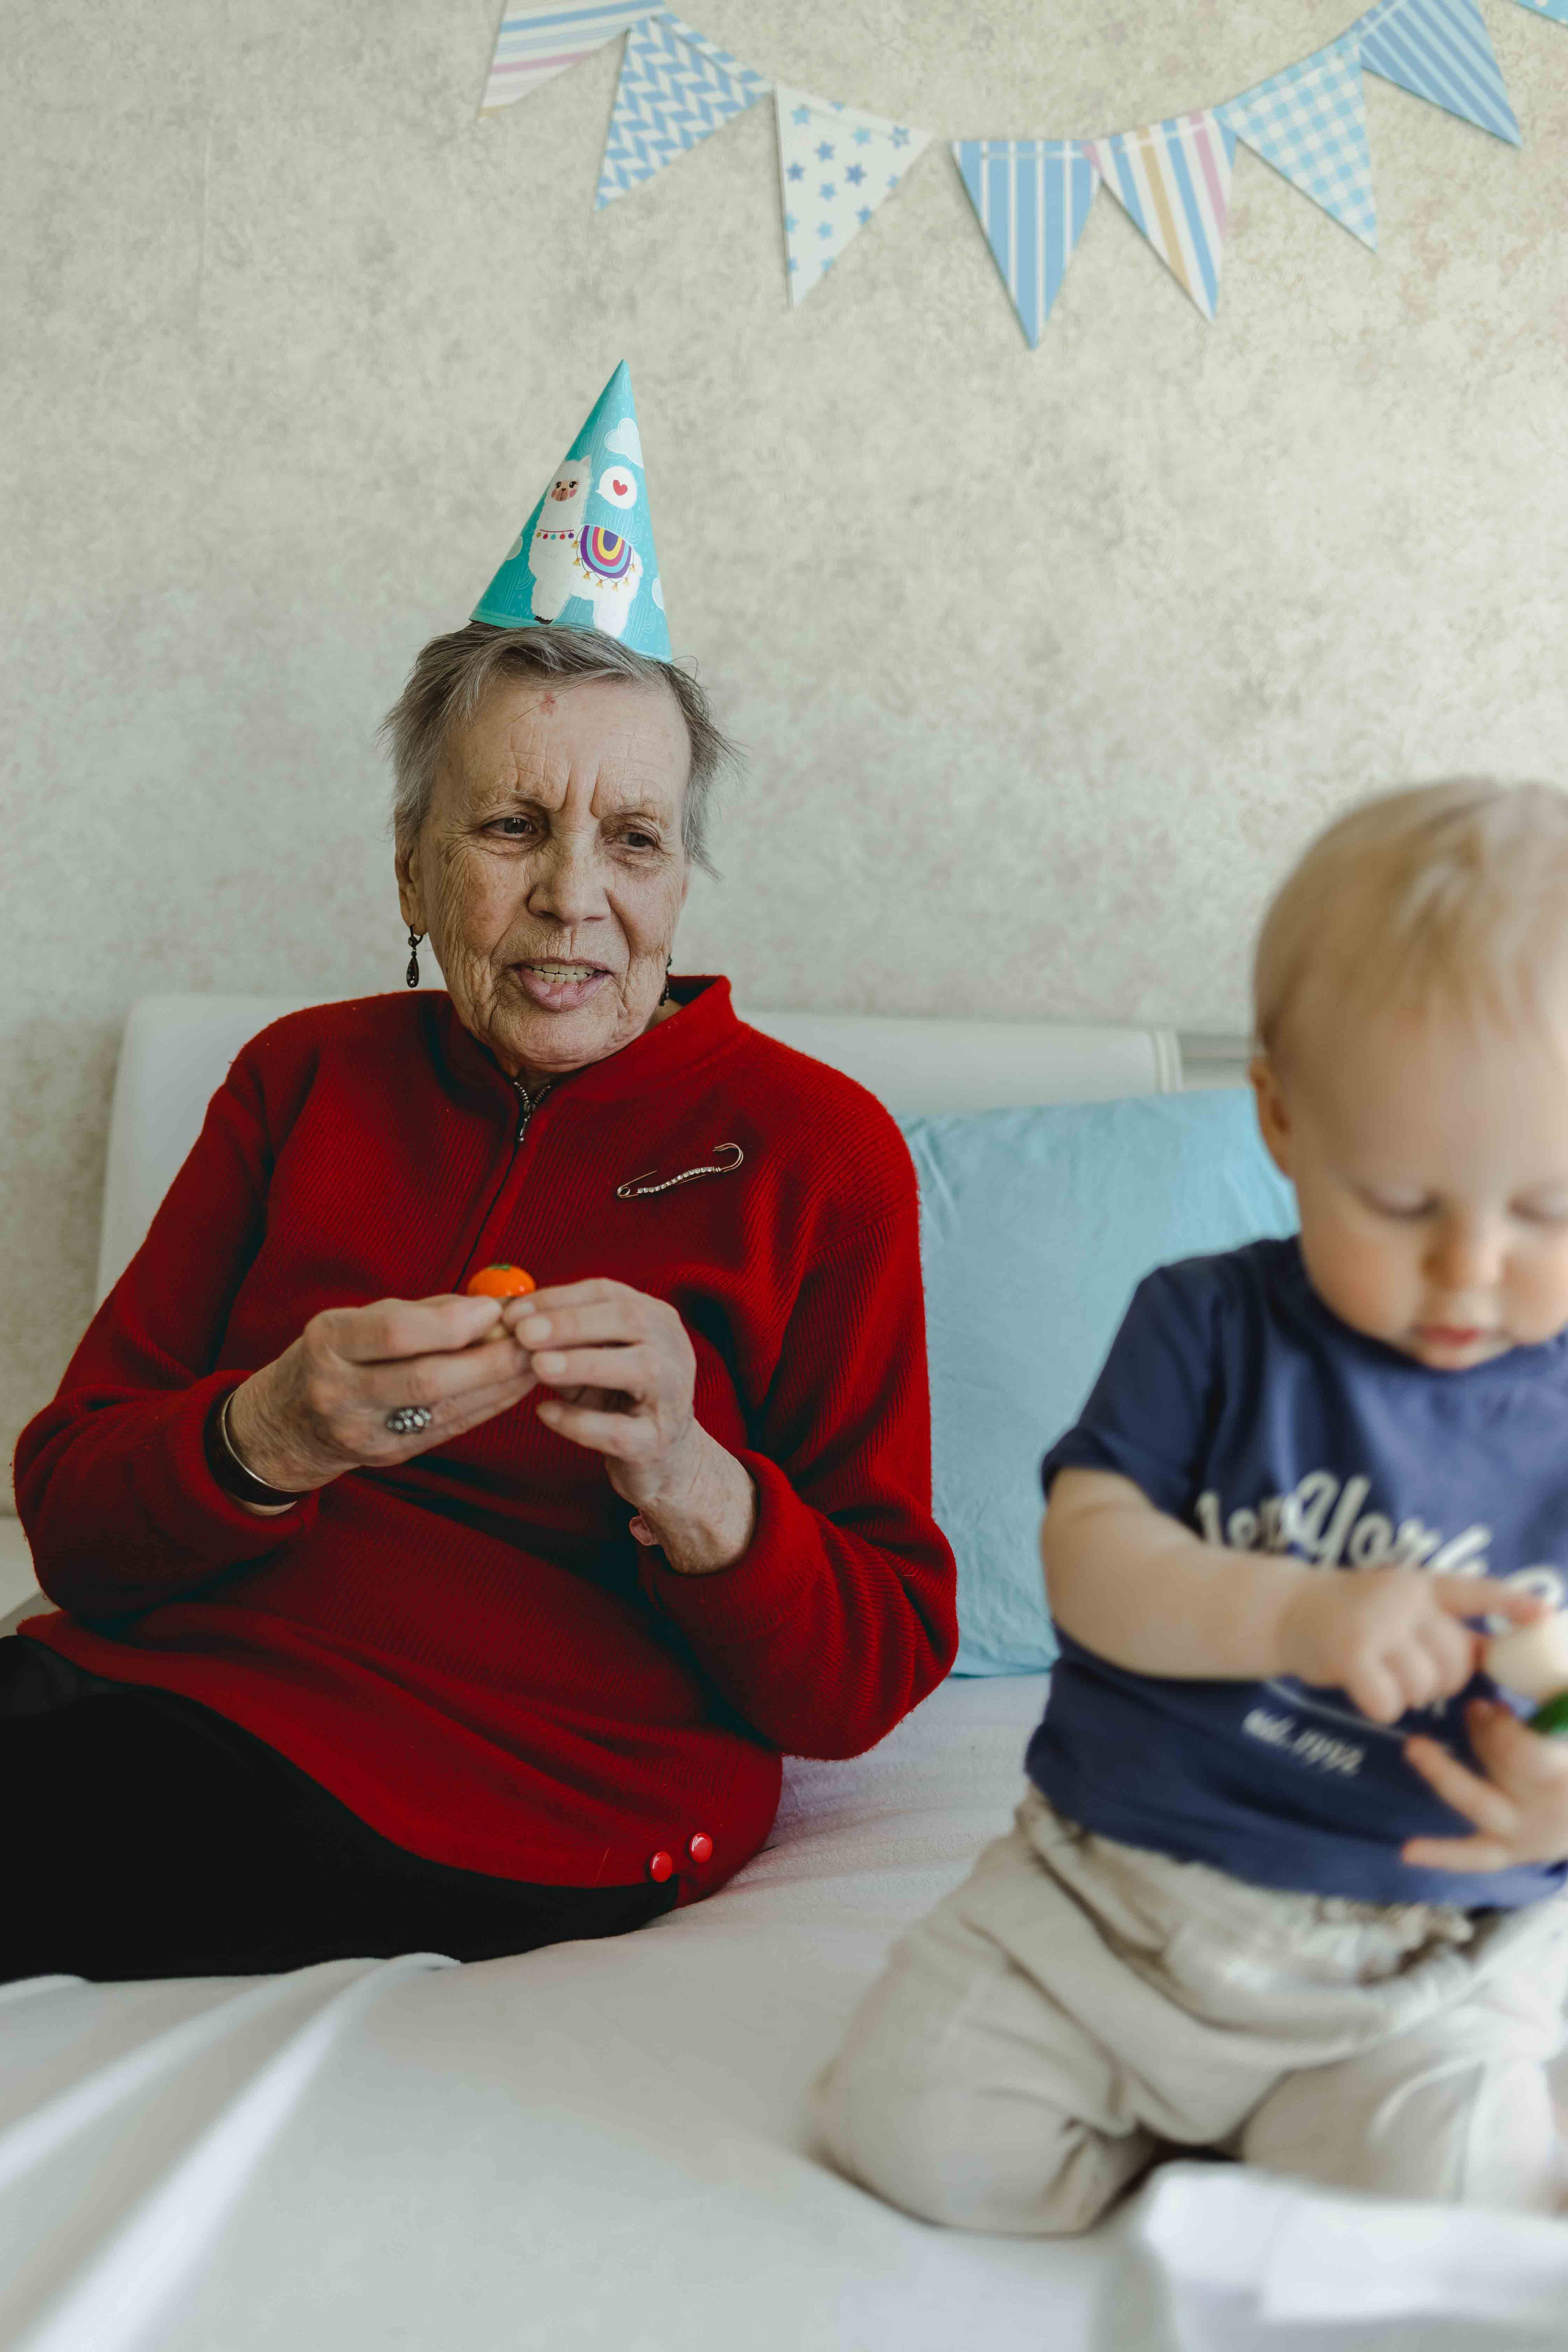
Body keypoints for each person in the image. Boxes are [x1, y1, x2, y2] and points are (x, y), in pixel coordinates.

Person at [7, 364, 956, 1982]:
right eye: (513, 828)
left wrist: (688, 1473)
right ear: (414, 866)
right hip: (158, 1683)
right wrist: (271, 1433)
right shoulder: (301, 1078)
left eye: (635, 841)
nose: (574, 897)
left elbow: (866, 1678)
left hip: (526, 1790)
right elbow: (76, 1515)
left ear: (678, 877)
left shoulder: (820, 1152)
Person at [817, 779, 1568, 2224]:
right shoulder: (1207, 1328)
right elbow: (1088, 1557)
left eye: (1547, 1211)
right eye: (1404, 1205)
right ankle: (1196, 2123)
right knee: (914, 2134)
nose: (1468, 1268)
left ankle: (1374, 2114)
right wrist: (1293, 1609)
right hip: (1115, 1905)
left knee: (1444, 2184)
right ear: (1279, 1118)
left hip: (1409, 1947)